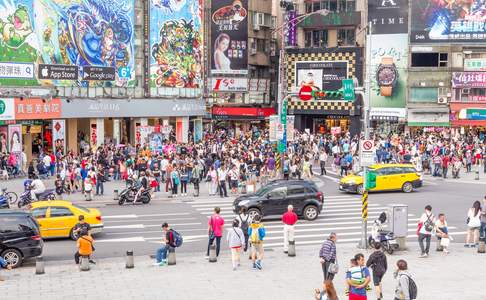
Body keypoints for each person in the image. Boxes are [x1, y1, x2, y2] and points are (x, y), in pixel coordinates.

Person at [319, 232, 338, 299]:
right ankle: (328, 288)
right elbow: (332, 253)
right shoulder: (332, 244)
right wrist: (328, 259)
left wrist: (322, 258)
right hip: (329, 262)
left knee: (325, 274)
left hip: (323, 261)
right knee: (330, 275)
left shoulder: (325, 242)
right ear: (333, 238)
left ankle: (325, 287)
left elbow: (320, 251)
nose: (336, 239)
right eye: (336, 238)